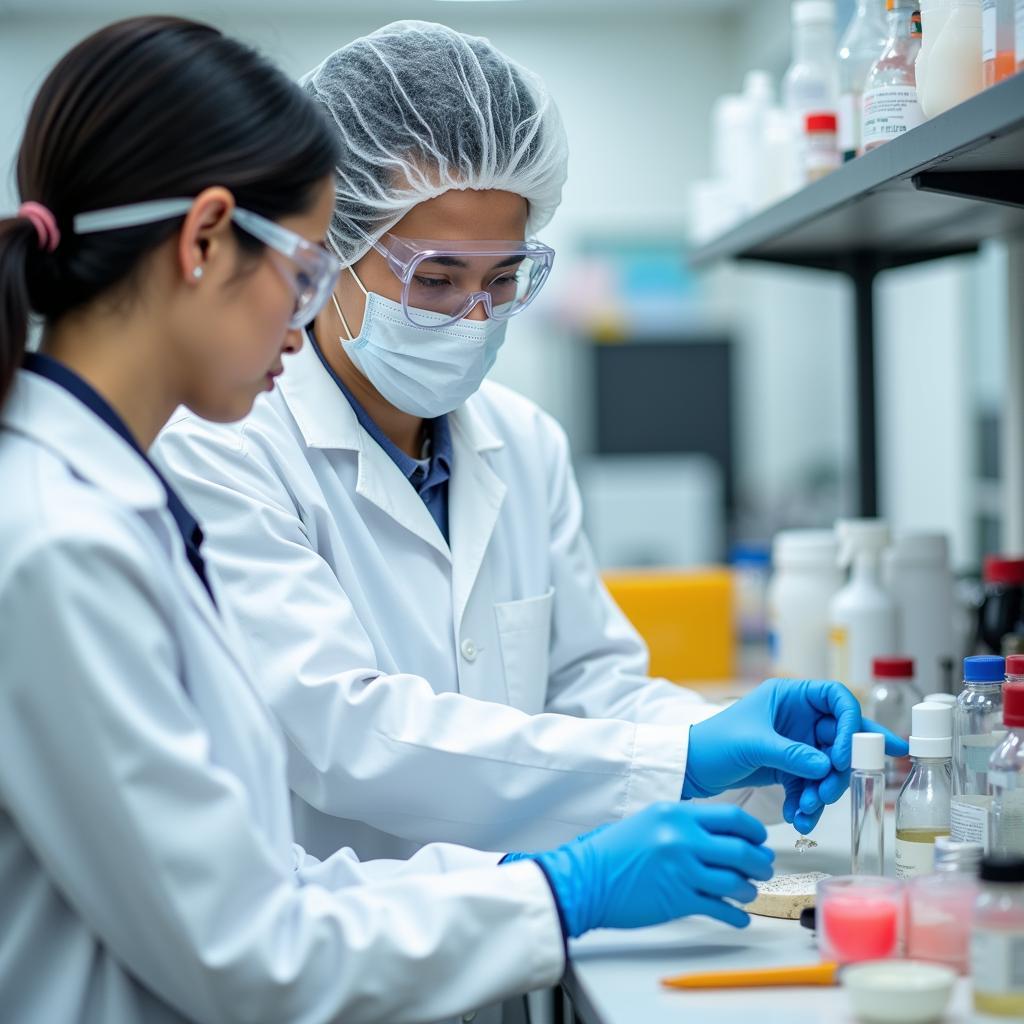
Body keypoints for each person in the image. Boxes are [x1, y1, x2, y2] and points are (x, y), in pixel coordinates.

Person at [0, 18, 781, 1024]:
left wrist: (636, 795)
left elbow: (264, 882)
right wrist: (559, 887)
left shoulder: (106, 502)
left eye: (500, 281)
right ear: (203, 239)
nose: (304, 309)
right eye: (307, 268)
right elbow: (255, 935)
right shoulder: (67, 537)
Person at [155, 19, 906, 869]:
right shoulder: (228, 449)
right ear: (333, 254)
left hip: (513, 945)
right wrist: (677, 763)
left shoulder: (524, 441)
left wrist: (749, 748)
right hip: (338, 959)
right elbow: (345, 733)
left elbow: (590, 684)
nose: (475, 316)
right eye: (436, 279)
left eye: (503, 279)